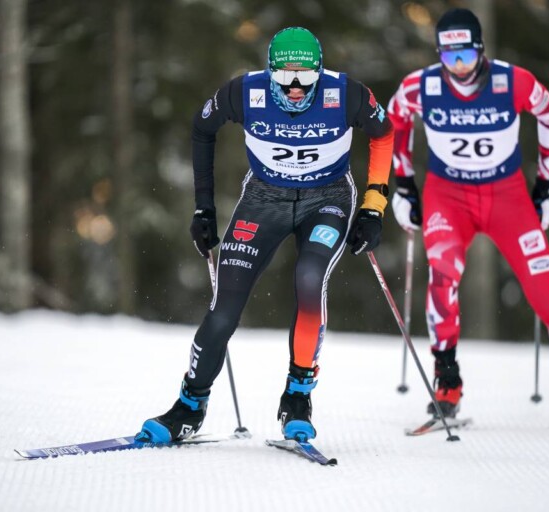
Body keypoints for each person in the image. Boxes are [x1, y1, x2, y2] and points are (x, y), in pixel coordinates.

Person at [136, 27, 394, 443]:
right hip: (263, 198)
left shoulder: (346, 94)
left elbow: (383, 133)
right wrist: (203, 208)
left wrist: (373, 206)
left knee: (309, 278)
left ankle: (297, 396)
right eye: (285, 77)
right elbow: (202, 128)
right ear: (270, 71)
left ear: (320, 72)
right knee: (224, 308)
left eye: (306, 77)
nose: (296, 88)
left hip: (327, 199)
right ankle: (189, 407)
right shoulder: (244, 92)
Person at [387, 8, 549, 430]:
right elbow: (394, 120)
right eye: (449, 58)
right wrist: (404, 186)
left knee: (547, 297)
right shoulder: (421, 86)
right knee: (443, 277)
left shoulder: (512, 81)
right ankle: (447, 382)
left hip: (507, 199)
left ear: (481, 50)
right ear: (438, 55)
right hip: (448, 198)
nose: (458, 67)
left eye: (466, 56)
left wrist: (545, 185)